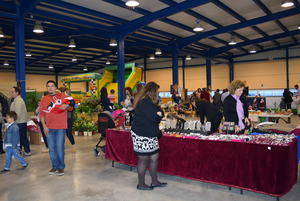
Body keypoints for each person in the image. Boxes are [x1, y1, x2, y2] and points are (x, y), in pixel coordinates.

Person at [131, 82, 167, 190]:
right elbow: (155, 117)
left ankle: (154, 181)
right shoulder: (144, 103)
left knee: (154, 157)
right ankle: (141, 184)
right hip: (141, 134)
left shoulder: (149, 103)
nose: (158, 93)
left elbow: (161, 112)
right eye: (157, 91)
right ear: (153, 92)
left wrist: (159, 113)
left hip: (150, 133)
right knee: (143, 159)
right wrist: (159, 114)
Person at [40, 80, 72, 176]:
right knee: (52, 148)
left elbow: (72, 106)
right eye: (48, 86)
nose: (50, 88)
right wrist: (44, 126)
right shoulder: (44, 99)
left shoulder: (63, 96)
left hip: (60, 127)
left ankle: (61, 167)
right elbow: (42, 114)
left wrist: (66, 106)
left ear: (56, 87)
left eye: (52, 86)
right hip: (49, 128)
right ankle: (54, 166)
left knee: (59, 147)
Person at [10, 86, 31, 156]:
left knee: (22, 137)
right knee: (21, 138)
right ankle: (22, 150)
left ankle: (27, 151)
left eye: (13, 92)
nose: (11, 93)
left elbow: (17, 114)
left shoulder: (18, 101)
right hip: (19, 122)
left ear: (17, 92)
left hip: (20, 123)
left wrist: (12, 123)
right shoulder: (15, 100)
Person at [59, 87, 76, 153]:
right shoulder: (60, 99)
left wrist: (65, 106)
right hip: (61, 119)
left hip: (68, 118)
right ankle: (61, 147)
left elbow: (71, 108)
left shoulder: (70, 99)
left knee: (69, 133)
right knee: (61, 134)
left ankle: (73, 146)